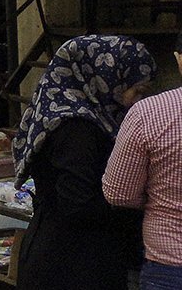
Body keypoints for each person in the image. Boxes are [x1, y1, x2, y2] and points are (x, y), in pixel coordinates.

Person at [14, 35, 153, 289]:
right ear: (107, 76)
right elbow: (76, 203)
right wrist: (136, 203)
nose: (138, 101)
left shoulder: (89, 117)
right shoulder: (77, 128)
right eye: (137, 90)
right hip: (70, 264)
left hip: (69, 253)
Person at [103, 31, 182, 289]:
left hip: (169, 264)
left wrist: (156, 195)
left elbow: (118, 193)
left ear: (178, 59)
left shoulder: (148, 113)